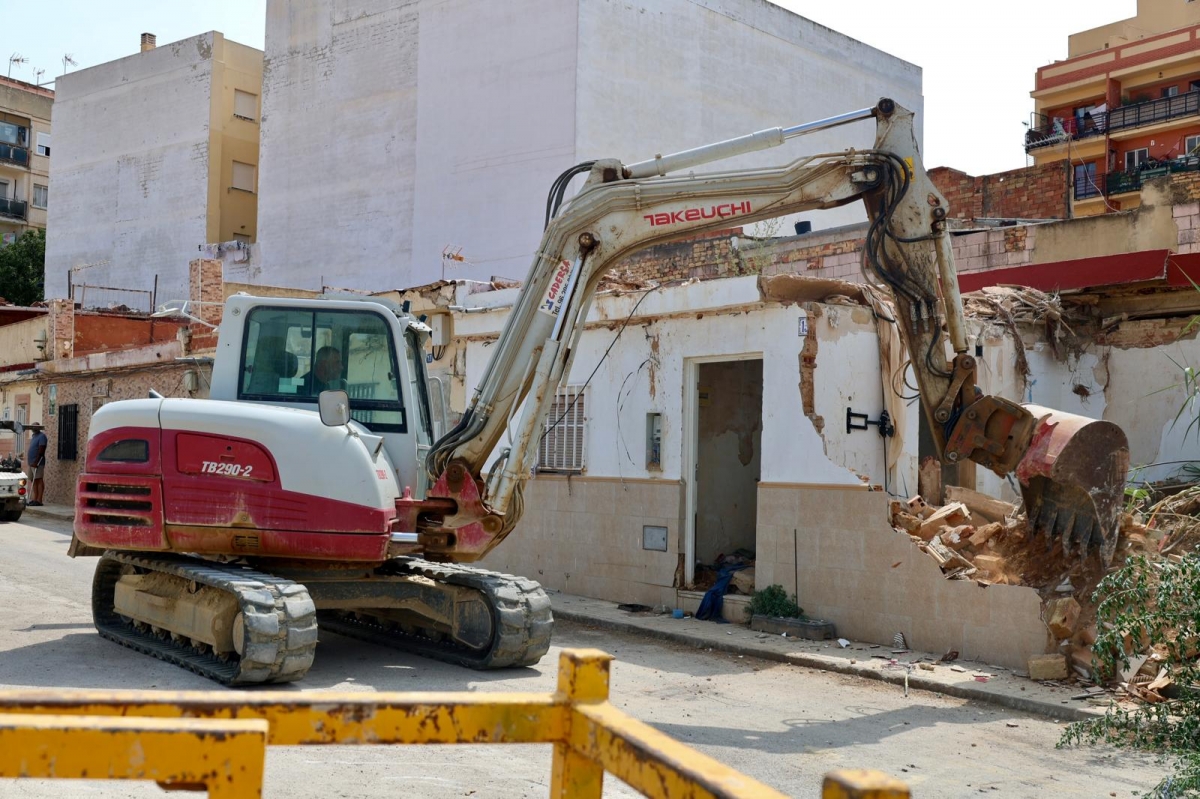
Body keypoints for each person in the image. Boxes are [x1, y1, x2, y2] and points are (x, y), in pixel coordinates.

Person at [25, 423, 47, 507]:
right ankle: (35, 499)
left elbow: (41, 450)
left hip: (38, 463)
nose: (33, 428)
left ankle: (39, 500)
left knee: (39, 479)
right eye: (32, 426)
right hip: (31, 463)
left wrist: (36, 462)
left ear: (38, 428)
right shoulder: (34, 436)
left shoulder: (42, 436)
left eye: (35, 426)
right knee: (33, 480)